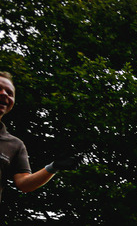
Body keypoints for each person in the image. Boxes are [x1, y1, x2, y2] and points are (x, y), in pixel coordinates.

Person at [0, 71, 79, 204]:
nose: (4, 94)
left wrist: (54, 166)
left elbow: (24, 183)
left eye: (10, 92)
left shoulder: (15, 145)